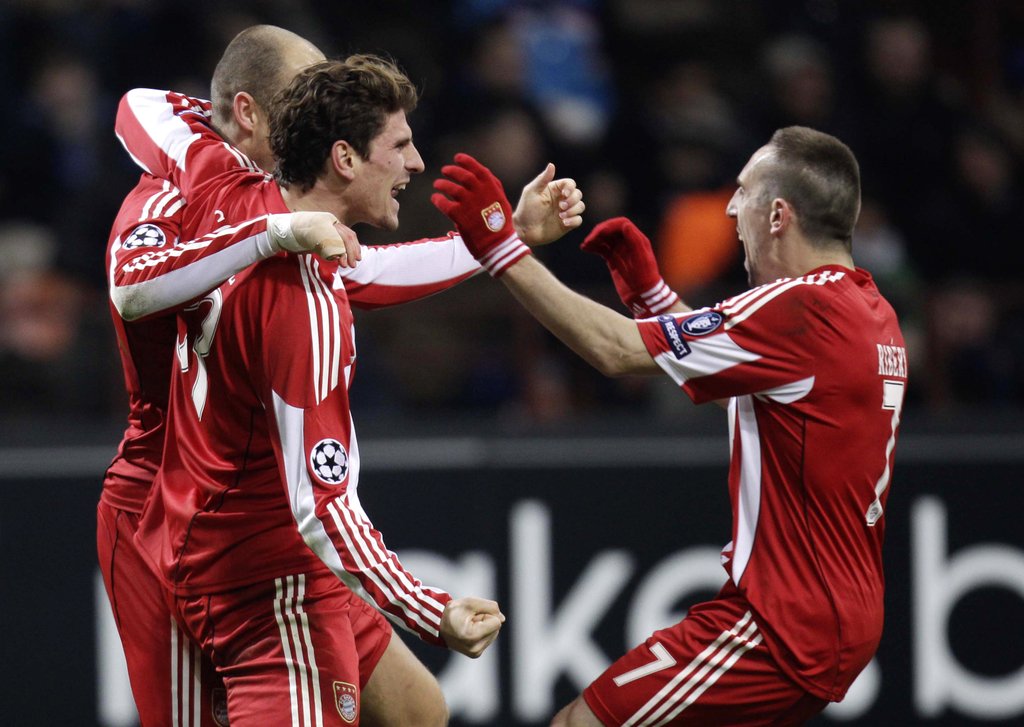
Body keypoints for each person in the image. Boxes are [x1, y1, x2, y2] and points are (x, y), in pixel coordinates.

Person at [102, 27, 583, 726]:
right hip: (217, 534)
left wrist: (505, 237)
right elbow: (131, 288)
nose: (416, 161)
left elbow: (368, 270)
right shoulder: (218, 223)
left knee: (418, 709)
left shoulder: (239, 190)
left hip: (230, 510)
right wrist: (433, 610)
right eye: (300, 100)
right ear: (251, 114)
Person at [430, 127, 907, 725]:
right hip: (839, 614)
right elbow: (760, 404)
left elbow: (614, 351)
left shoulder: (801, 306)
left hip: (780, 624)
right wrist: (656, 300)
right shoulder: (871, 312)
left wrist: (501, 248)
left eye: (743, 191)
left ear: (778, 215)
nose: (730, 209)